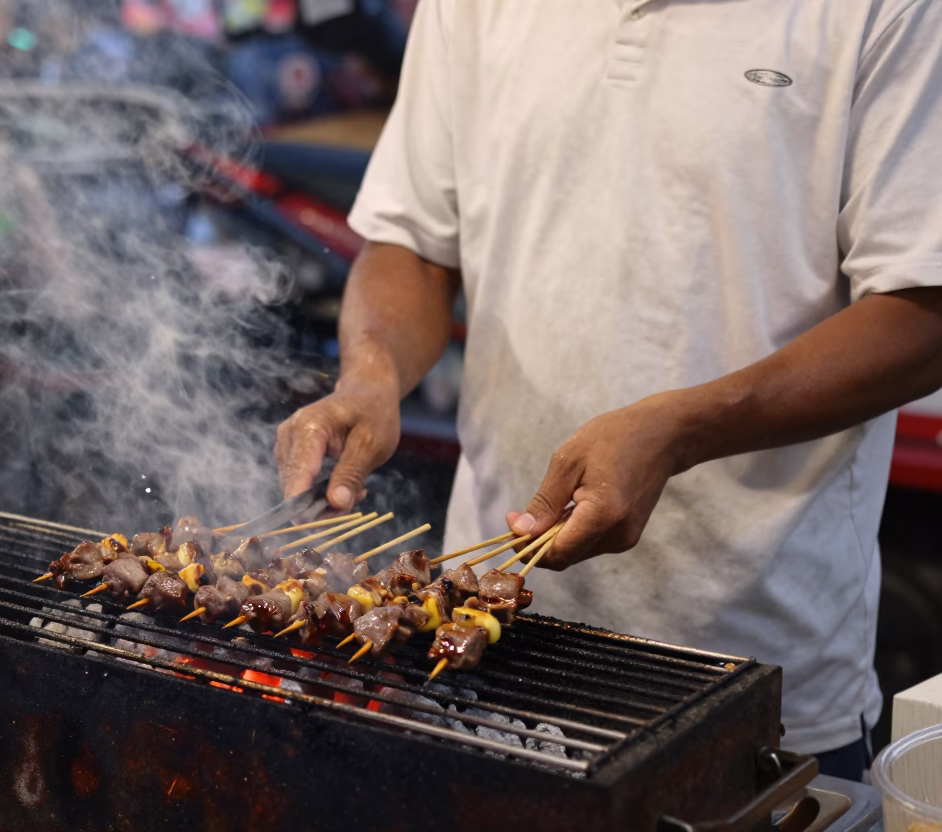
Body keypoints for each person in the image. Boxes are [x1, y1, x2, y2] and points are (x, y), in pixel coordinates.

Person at [274, 0, 942, 780]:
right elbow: (416, 243)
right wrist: (373, 371)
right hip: (477, 640)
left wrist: (682, 426)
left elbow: (922, 313)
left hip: (756, 666)